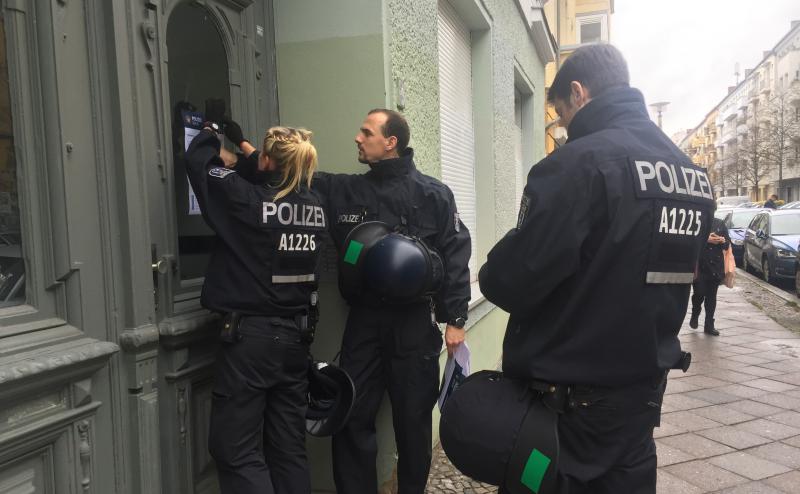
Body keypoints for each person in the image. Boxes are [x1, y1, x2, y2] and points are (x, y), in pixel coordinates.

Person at [477, 44, 714, 492]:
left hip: (566, 417)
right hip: (639, 405)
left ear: (578, 92)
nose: (563, 125)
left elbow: (510, 282)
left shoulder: (576, 165)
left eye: (561, 112)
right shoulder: (692, 176)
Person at [315, 109, 472, 493]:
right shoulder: (345, 190)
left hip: (413, 325)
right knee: (350, 414)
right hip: (364, 322)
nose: (357, 137)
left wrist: (455, 319)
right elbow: (294, 173)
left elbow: (455, 253)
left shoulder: (433, 193)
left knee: (413, 424)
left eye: (366, 132)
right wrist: (254, 156)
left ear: (391, 142)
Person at [185, 117, 325, 494]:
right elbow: (265, 176)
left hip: (252, 344)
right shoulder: (314, 205)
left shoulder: (247, 201)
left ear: (266, 160)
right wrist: (246, 146)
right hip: (295, 343)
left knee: (235, 450)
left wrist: (210, 131)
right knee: (288, 449)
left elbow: (199, 162)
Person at [689, 217, 731, 336]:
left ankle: (709, 325)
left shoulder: (720, 223)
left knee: (711, 296)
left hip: (715, 266)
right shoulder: (698, 220)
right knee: (699, 293)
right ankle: (695, 313)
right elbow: (691, 239)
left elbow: (727, 245)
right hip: (700, 264)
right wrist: (706, 239)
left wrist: (723, 240)